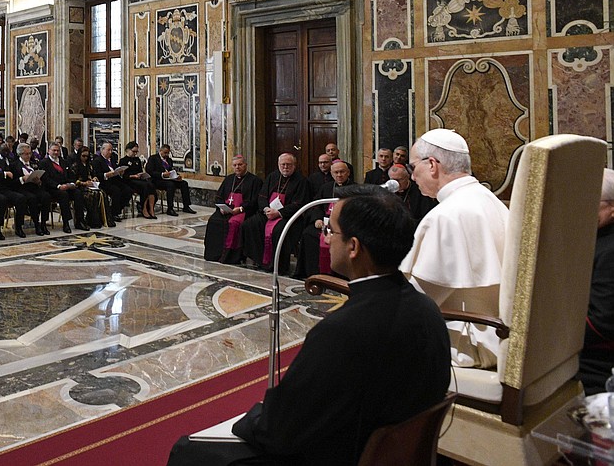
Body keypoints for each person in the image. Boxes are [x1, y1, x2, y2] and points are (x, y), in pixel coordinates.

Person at [166, 186, 451, 466]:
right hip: (393, 451)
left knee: (187, 452)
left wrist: (252, 418)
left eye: (331, 230)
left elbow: (279, 431)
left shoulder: (341, 331)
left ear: (354, 247)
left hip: (341, 453)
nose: (326, 238)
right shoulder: (427, 309)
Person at [401, 128, 507, 368]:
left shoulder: (446, 216)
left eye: (413, 167)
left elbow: (416, 303)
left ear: (432, 165)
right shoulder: (489, 199)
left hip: (468, 344)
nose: (413, 177)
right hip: (500, 335)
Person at [578, 169, 614, 394]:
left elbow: (601, 321)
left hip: (597, 364)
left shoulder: (609, 250)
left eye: (592, 201)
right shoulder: (594, 237)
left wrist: (554, 339)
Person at [244, 153, 308, 274]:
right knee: (249, 225)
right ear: (278, 165)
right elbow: (262, 196)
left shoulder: (301, 181)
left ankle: (278, 265)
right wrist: (266, 209)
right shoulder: (272, 176)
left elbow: (298, 204)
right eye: (282, 164)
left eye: (288, 164)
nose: (285, 167)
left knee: (279, 231)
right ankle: (260, 260)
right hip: (268, 213)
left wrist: (279, 213)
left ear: (294, 165)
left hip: (288, 216)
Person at [295, 158, 355, 279]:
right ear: (332, 174)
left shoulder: (355, 189)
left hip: (343, 226)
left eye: (342, 172)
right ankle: (313, 272)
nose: (339, 175)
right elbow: (317, 206)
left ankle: (340, 274)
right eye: (336, 172)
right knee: (308, 234)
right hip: (325, 224)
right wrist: (317, 219)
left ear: (348, 173)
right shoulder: (326, 187)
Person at [204, 155, 262, 263]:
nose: (237, 167)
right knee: (213, 221)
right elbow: (219, 196)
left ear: (246, 165)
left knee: (234, 224)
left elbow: (254, 201)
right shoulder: (229, 179)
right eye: (235, 165)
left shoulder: (255, 181)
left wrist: (241, 208)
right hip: (227, 210)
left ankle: (230, 257)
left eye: (240, 164)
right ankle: (214, 254)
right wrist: (221, 207)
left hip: (243, 211)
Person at [41, 142, 86, 232]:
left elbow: (71, 175)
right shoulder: (44, 163)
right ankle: (66, 222)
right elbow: (46, 179)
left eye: (58, 150)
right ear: (49, 151)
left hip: (66, 185)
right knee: (63, 195)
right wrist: (58, 186)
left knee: (78, 193)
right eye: (54, 150)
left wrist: (72, 184)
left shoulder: (63, 161)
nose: (56, 152)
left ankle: (79, 220)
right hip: (53, 188)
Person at [145, 144, 195, 216]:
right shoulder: (153, 158)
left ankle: (186, 206)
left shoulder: (169, 160)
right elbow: (150, 171)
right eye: (165, 153)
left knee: (184, 183)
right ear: (161, 151)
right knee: (171, 185)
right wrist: (162, 174)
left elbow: (171, 170)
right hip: (157, 180)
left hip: (169, 179)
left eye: (168, 153)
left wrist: (177, 176)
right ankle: (170, 208)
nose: (166, 154)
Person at [121, 141, 157, 219]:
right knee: (145, 186)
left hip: (139, 179)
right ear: (128, 150)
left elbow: (140, 170)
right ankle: (143, 208)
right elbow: (123, 176)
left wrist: (141, 174)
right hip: (130, 181)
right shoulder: (123, 160)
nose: (135, 153)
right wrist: (133, 176)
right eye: (133, 151)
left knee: (151, 185)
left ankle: (151, 209)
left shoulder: (137, 160)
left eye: (136, 152)